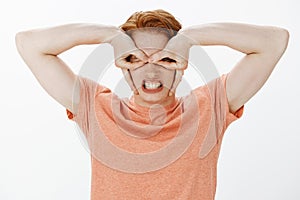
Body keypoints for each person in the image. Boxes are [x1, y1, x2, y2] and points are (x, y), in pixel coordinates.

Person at [15, 9, 289, 200]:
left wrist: (189, 39)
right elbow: (29, 44)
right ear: (124, 66)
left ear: (181, 66)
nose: (151, 72)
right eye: (137, 59)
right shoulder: (97, 108)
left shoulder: (209, 107)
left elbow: (274, 42)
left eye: (164, 59)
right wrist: (111, 37)